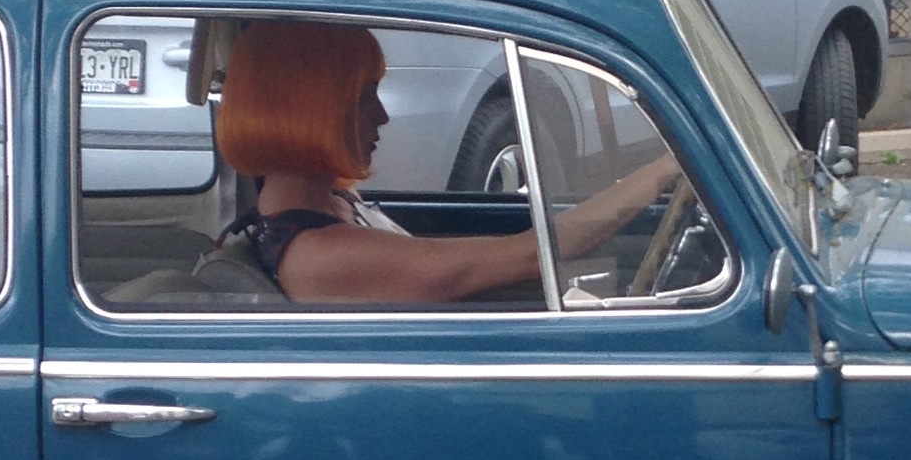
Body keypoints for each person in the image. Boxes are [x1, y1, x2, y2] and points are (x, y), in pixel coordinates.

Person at [212, 18, 678, 307]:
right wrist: (662, 171)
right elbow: (530, 255)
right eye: (363, 98)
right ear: (308, 112)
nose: (382, 116)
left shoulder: (331, 206)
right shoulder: (319, 256)